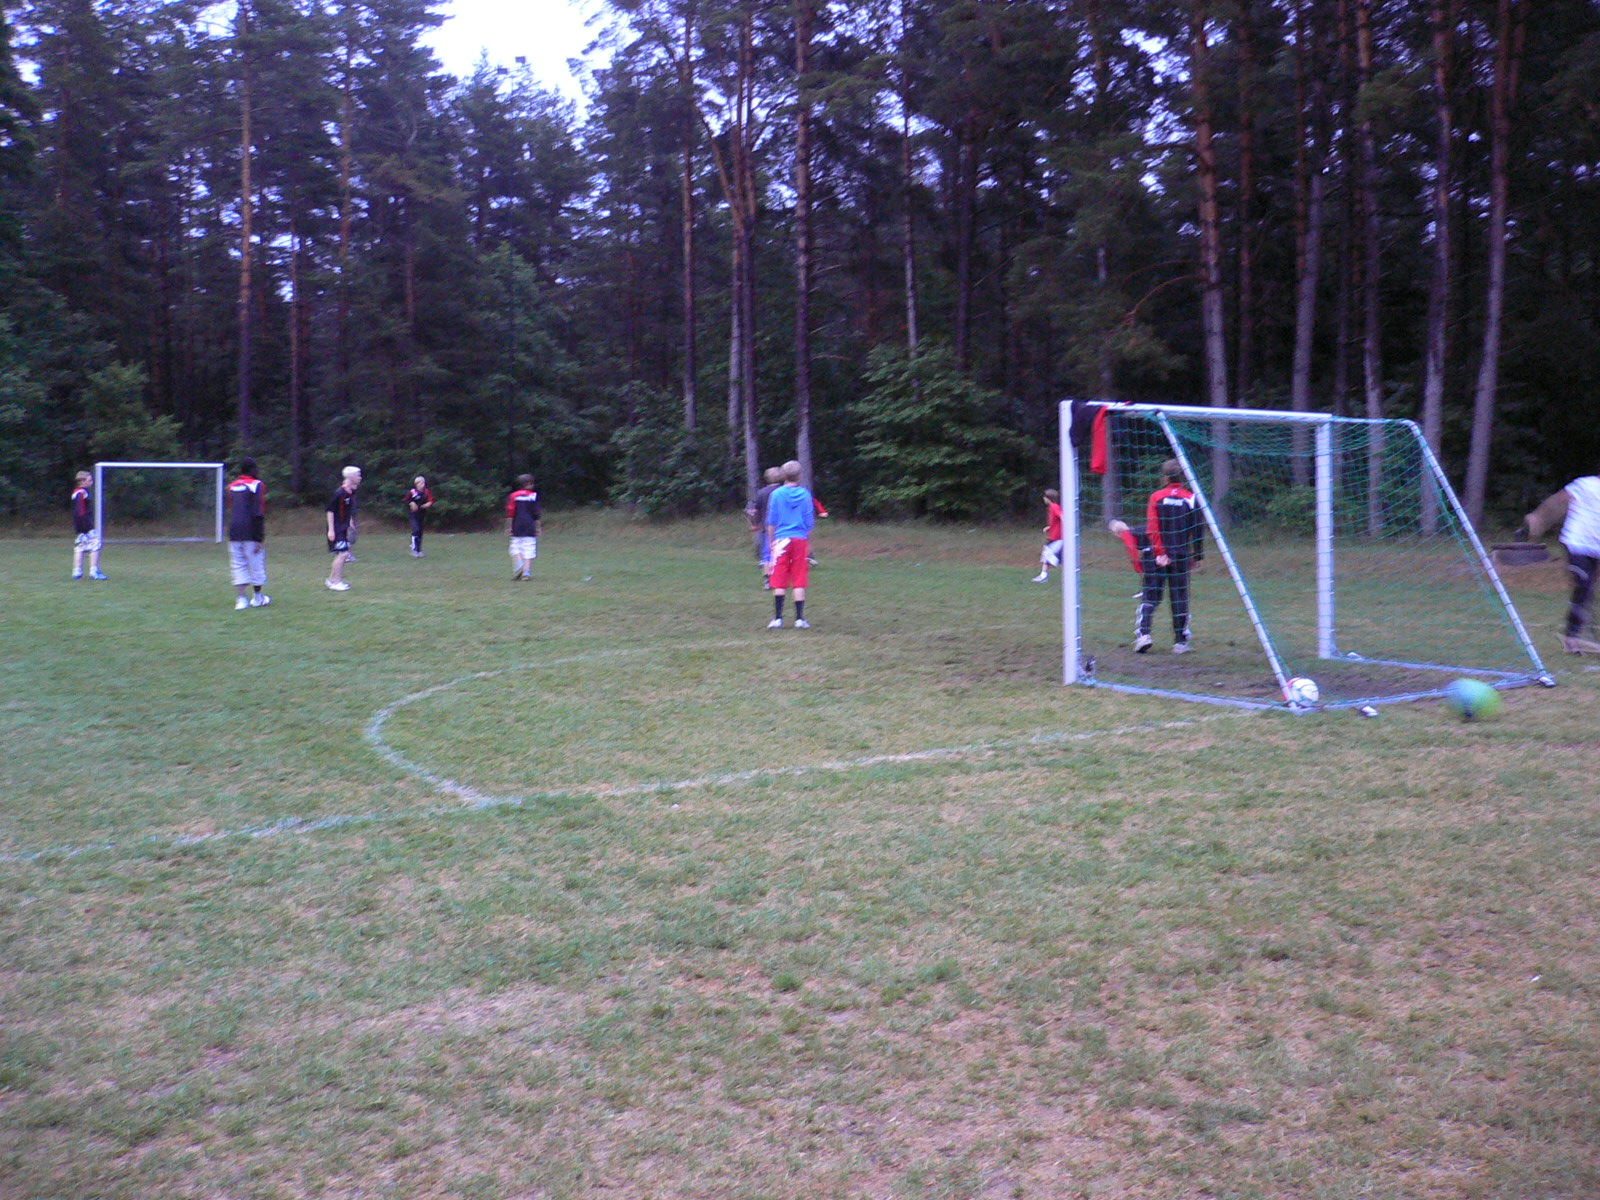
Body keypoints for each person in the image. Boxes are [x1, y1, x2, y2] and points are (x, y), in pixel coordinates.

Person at [1522, 467, 1600, 655]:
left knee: (1586, 591)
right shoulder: (1585, 484)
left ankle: (1577, 634)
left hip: (1596, 548)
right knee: (1583, 583)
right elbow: (1557, 502)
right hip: (1576, 543)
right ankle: (1572, 639)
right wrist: (1538, 518)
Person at [1130, 459, 1205, 655]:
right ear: (1182, 477)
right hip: (1180, 555)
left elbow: (1152, 528)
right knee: (1179, 597)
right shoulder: (1191, 498)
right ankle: (1180, 642)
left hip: (1156, 555)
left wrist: (1159, 553)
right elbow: (1197, 529)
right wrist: (1197, 555)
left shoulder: (1156, 497)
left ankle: (1143, 635)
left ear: (1164, 478)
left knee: (1150, 595)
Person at [765, 459, 816, 628]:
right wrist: (808, 541)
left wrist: (771, 541)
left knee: (779, 579)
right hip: (799, 539)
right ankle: (799, 619)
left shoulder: (777, 494)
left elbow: (772, 520)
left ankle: (778, 618)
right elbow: (809, 521)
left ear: (783, 476)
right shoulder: (805, 494)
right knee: (799, 578)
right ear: (799, 476)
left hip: (781, 539)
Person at [226, 457, 269, 610]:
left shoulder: (231, 486)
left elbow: (231, 508)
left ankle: (241, 599)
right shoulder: (257, 485)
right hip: (251, 530)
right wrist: (259, 537)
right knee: (256, 563)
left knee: (238, 564)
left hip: (234, 530)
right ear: (253, 469)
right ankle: (257, 597)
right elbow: (258, 511)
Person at [325, 465, 361, 591]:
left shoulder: (350, 492)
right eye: (358, 475)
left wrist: (350, 522)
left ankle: (332, 580)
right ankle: (336, 582)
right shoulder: (340, 493)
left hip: (343, 527)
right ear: (351, 477)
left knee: (343, 555)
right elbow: (330, 511)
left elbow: (347, 510)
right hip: (337, 528)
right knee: (343, 554)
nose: (360, 478)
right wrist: (331, 530)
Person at [746, 466, 783, 580]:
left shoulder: (762, 493)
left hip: (766, 526)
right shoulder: (784, 491)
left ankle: (767, 577)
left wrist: (754, 523)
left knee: (767, 552)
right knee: (782, 551)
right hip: (783, 526)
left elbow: (754, 511)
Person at [70, 471, 108, 580]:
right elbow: (80, 512)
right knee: (96, 544)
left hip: (79, 526)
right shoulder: (81, 493)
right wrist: (87, 528)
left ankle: (77, 572)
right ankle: (94, 571)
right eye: (89, 480)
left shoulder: (77, 492)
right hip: (85, 525)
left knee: (80, 547)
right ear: (82, 481)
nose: (91, 482)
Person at [506, 474, 541, 581]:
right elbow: (536, 514)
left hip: (517, 525)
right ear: (528, 484)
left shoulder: (513, 496)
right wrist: (538, 528)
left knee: (515, 547)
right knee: (529, 548)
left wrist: (508, 527)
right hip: (529, 525)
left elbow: (510, 513)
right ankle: (526, 573)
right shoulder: (533, 496)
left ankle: (519, 566)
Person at [1032, 488, 1064, 582]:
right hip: (1054, 537)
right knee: (1053, 556)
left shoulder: (1054, 507)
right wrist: (1050, 527)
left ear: (1049, 498)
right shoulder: (1051, 508)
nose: (1043, 499)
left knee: (1047, 555)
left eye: (1045, 497)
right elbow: (1056, 521)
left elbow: (1062, 516)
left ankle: (1043, 576)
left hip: (1057, 538)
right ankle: (1044, 576)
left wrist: (1067, 527)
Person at [405, 475, 434, 558]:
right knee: (416, 530)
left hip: (422, 514)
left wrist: (426, 505)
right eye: (421, 483)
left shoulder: (426, 492)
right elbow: (406, 500)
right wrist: (412, 503)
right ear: (416, 484)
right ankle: (414, 549)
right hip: (413, 514)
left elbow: (430, 501)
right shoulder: (413, 492)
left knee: (420, 532)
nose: (423, 485)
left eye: (423, 483)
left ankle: (419, 549)